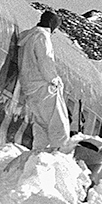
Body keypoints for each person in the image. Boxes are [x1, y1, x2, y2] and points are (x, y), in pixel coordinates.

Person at [18, 10, 72, 153]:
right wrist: (54, 80)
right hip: (43, 86)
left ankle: (38, 153)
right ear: (50, 24)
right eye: (55, 26)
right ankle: (60, 157)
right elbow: (45, 61)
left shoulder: (28, 37)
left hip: (30, 88)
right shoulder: (42, 36)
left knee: (41, 125)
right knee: (59, 124)